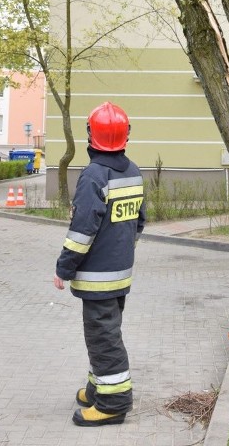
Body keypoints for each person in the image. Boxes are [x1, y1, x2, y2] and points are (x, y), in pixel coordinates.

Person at [53, 101, 145, 427]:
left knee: (104, 339)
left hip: (96, 279)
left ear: (91, 135)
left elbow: (82, 231)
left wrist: (63, 268)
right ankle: (97, 388)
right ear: (125, 136)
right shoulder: (132, 171)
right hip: (120, 276)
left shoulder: (94, 175)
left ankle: (113, 403)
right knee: (103, 334)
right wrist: (120, 249)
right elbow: (139, 222)